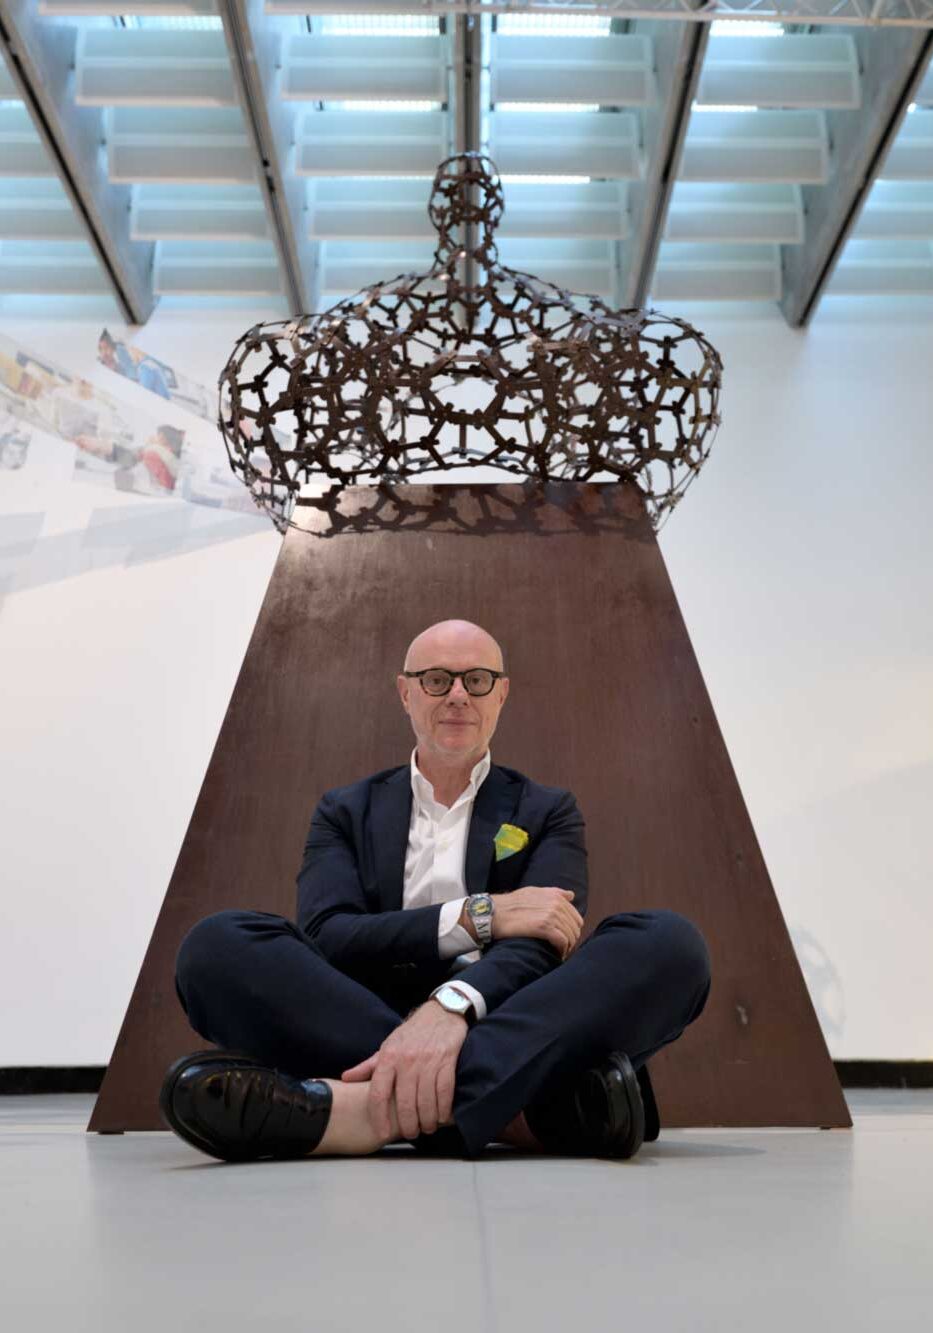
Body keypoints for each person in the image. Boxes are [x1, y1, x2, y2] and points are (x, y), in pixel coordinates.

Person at [162, 619, 712, 1163]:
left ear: (501, 694)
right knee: (216, 947)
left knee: (668, 945)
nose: (457, 696)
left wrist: (453, 1006)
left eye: (476, 680)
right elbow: (331, 936)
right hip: (361, 1012)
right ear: (405, 693)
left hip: (503, 1012)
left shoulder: (547, 810)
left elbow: (543, 941)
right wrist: (483, 915)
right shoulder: (345, 810)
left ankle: (368, 1113)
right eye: (435, 680)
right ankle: (521, 1112)